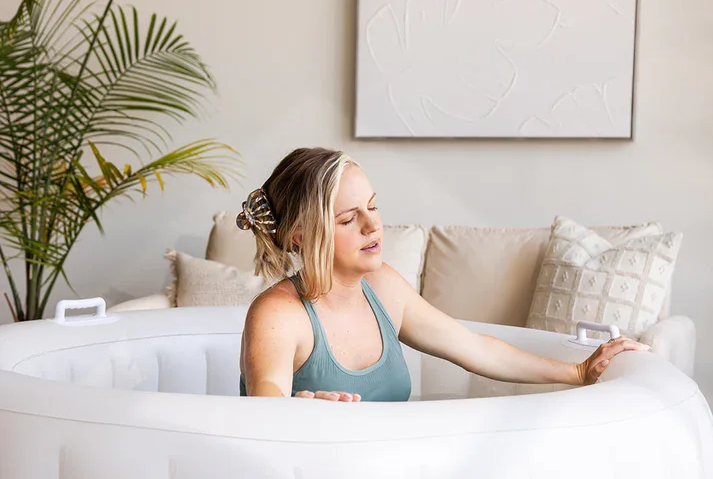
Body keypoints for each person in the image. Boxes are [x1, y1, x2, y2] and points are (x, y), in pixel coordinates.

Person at [237, 147, 650, 401]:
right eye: (348, 219)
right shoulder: (279, 315)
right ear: (300, 236)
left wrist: (578, 373)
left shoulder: (383, 289)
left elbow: (478, 350)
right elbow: (265, 408)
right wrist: (298, 416)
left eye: (373, 206)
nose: (372, 225)